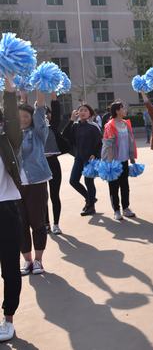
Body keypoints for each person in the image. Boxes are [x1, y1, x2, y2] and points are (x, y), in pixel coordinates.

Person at [17, 89, 52, 276]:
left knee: (37, 223)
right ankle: (27, 260)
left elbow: (39, 112)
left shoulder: (38, 133)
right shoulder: (10, 135)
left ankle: (38, 261)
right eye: (19, 116)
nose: (23, 119)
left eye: (26, 116)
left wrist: (40, 87)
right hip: (15, 186)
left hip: (37, 182)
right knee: (20, 224)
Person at [0, 75, 24, 342]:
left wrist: (9, 86)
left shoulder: (8, 141)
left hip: (6, 208)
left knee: (9, 267)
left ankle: (8, 319)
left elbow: (13, 119)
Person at [63, 104, 102, 216]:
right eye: (81, 110)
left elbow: (100, 143)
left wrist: (95, 154)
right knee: (73, 181)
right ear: (77, 113)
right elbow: (65, 135)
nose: (83, 112)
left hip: (89, 159)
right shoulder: (75, 126)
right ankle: (90, 199)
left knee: (89, 182)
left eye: (85, 110)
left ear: (89, 113)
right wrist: (71, 120)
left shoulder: (94, 126)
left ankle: (91, 207)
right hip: (79, 158)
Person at [102, 101, 137, 221]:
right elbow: (108, 145)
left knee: (125, 185)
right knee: (113, 187)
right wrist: (110, 162)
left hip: (124, 160)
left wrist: (132, 156)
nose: (125, 110)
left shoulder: (125, 123)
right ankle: (116, 210)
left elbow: (130, 141)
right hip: (113, 162)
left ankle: (126, 208)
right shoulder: (110, 125)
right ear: (117, 110)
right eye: (123, 108)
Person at [43, 92, 69, 235]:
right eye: (43, 114)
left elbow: (57, 110)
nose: (46, 116)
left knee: (54, 195)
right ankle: (46, 223)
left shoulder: (53, 127)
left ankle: (56, 224)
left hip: (53, 163)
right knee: (43, 197)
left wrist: (53, 93)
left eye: (48, 114)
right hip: (40, 165)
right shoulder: (35, 130)